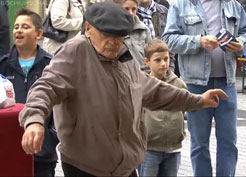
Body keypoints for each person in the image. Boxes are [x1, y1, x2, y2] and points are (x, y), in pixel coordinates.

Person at [18, 2, 227, 176]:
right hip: (86, 167)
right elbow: (45, 87)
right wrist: (34, 120)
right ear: (89, 29)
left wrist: (198, 100)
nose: (114, 43)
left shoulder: (124, 56)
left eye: (119, 36)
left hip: (125, 167)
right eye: (107, 35)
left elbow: (152, 90)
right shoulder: (75, 52)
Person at [162, 0, 246, 176]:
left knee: (228, 142)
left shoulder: (234, 5)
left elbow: (245, 32)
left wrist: (241, 44)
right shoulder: (181, 5)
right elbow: (168, 40)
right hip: (196, 84)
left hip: (227, 82)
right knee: (199, 143)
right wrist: (199, 41)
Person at [0, 8, 58, 177]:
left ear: (38, 33)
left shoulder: (52, 65)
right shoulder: (3, 65)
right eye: (16, 26)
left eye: (25, 27)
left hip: (42, 153)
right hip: (8, 151)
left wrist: (50, 138)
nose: (18, 30)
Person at [138, 39, 186, 177]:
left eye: (166, 59)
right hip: (149, 149)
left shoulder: (179, 84)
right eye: (157, 60)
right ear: (147, 62)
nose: (163, 64)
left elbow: (183, 110)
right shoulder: (143, 85)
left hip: (173, 149)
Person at [111, 0, 152, 70]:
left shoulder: (144, 30)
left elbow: (151, 56)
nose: (130, 13)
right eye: (126, 9)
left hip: (144, 76)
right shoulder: (111, 30)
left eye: (134, 9)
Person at [137, 0, 175, 72]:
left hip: (164, 70)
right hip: (140, 73)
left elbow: (170, 43)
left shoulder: (164, 11)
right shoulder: (130, 13)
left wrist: (170, 69)